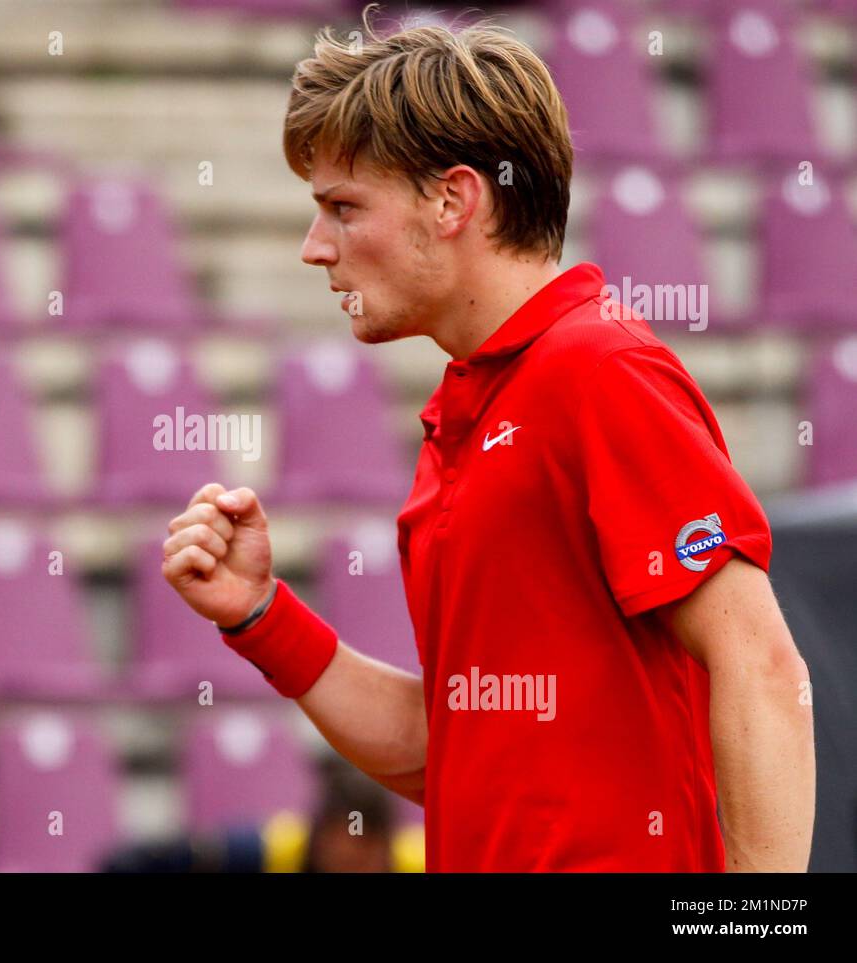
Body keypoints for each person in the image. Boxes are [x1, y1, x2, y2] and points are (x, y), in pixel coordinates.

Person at [162, 16, 815, 872]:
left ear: (454, 200)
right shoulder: (465, 413)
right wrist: (261, 615)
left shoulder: (600, 369)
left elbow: (760, 664)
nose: (314, 247)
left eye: (343, 207)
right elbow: (452, 748)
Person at [101, 762, 422, 873]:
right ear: (318, 837)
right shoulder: (268, 850)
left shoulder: (424, 860)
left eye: (360, 863)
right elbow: (129, 862)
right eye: (340, 860)